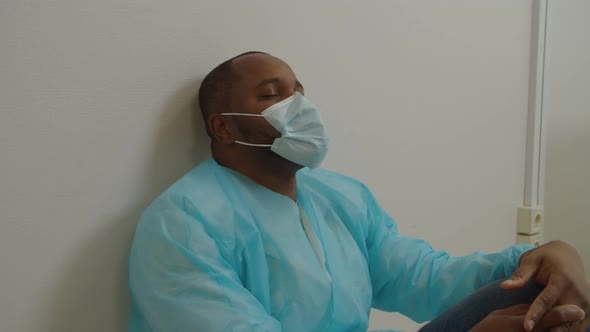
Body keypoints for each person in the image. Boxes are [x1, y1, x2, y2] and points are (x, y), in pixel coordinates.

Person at [128, 51, 590, 332]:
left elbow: (423, 278)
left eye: (300, 92)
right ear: (223, 128)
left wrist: (540, 257)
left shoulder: (339, 198)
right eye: (272, 95)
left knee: (551, 298)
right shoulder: (184, 224)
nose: (298, 106)